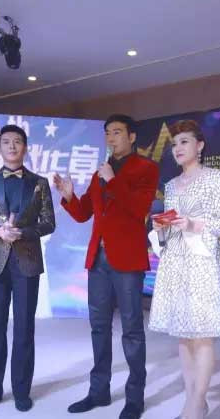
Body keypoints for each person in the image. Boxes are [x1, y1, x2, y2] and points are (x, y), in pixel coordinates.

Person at [53, 114, 159, 419]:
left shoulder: (146, 168)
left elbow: (138, 209)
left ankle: (135, 398)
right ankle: (98, 391)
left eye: (117, 132)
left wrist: (113, 180)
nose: (111, 138)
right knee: (99, 327)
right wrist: (69, 196)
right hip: (98, 260)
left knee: (132, 329)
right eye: (108, 133)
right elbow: (84, 213)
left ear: (132, 136)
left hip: (127, 260)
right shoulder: (100, 171)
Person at [148, 120, 220, 419]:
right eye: (175, 144)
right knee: (184, 335)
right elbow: (172, 226)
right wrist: (161, 228)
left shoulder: (216, 178)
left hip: (202, 260)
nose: (178, 148)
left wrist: (193, 224)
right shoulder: (171, 185)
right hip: (176, 261)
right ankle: (192, 401)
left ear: (200, 146)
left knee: (202, 335)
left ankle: (197, 404)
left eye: (184, 142)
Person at [0, 125, 55, 413]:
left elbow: (49, 222)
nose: (12, 146)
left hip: (26, 261)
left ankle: (21, 391)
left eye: (17, 142)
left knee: (24, 329)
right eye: (6, 142)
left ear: (25, 147)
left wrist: (23, 232)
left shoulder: (39, 183)